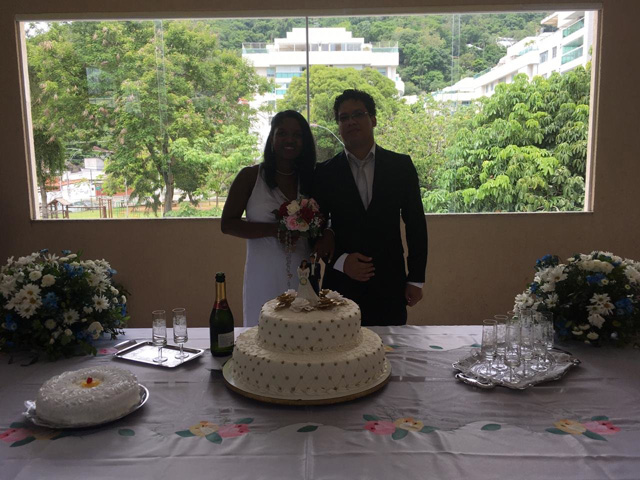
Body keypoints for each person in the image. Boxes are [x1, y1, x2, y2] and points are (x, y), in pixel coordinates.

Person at [313, 89, 428, 326]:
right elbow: (315, 229)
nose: (351, 121)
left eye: (358, 114)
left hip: (389, 282)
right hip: (340, 285)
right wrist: (340, 261)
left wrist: (416, 279)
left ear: (373, 119)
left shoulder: (400, 166)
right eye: (344, 117)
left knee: (391, 347)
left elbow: (416, 224)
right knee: (338, 346)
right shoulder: (324, 173)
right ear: (338, 125)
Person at [221, 110, 316, 327]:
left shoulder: (311, 179)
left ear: (305, 142)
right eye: (282, 133)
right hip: (262, 274)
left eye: (297, 135)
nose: (290, 139)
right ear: (272, 137)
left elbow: (322, 221)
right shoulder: (250, 177)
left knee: (303, 333)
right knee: (263, 334)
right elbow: (227, 224)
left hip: (302, 274)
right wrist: (274, 230)